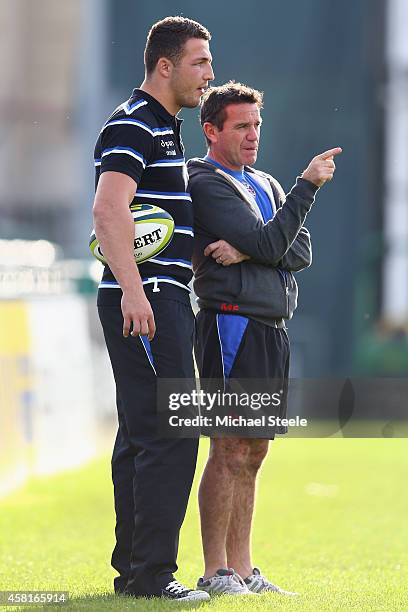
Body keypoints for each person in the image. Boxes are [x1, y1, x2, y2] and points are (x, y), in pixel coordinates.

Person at [188, 81, 341, 596]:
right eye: (241, 126)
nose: (253, 136)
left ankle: (245, 570)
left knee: (254, 452)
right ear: (211, 131)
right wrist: (305, 189)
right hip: (230, 325)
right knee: (228, 448)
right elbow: (274, 241)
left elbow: (298, 252)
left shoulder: (268, 185)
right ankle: (215, 572)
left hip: (271, 329)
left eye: (257, 125)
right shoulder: (205, 179)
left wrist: (254, 248)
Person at [92, 16, 214, 601]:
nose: (209, 76)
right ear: (165, 66)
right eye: (199, 63)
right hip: (144, 303)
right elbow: (108, 211)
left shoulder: (165, 128)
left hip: (160, 298)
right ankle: (153, 575)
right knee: (171, 434)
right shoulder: (134, 122)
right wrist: (136, 292)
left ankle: (135, 573)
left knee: (142, 435)